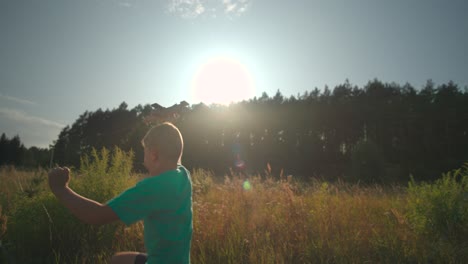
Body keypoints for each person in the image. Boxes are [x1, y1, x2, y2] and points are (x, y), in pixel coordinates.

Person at [48, 122, 193, 264]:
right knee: (119, 259)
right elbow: (174, 152)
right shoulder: (183, 175)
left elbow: (97, 216)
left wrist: (61, 189)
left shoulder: (153, 187)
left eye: (145, 154)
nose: (144, 162)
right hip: (179, 260)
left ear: (154, 154)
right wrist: (167, 123)